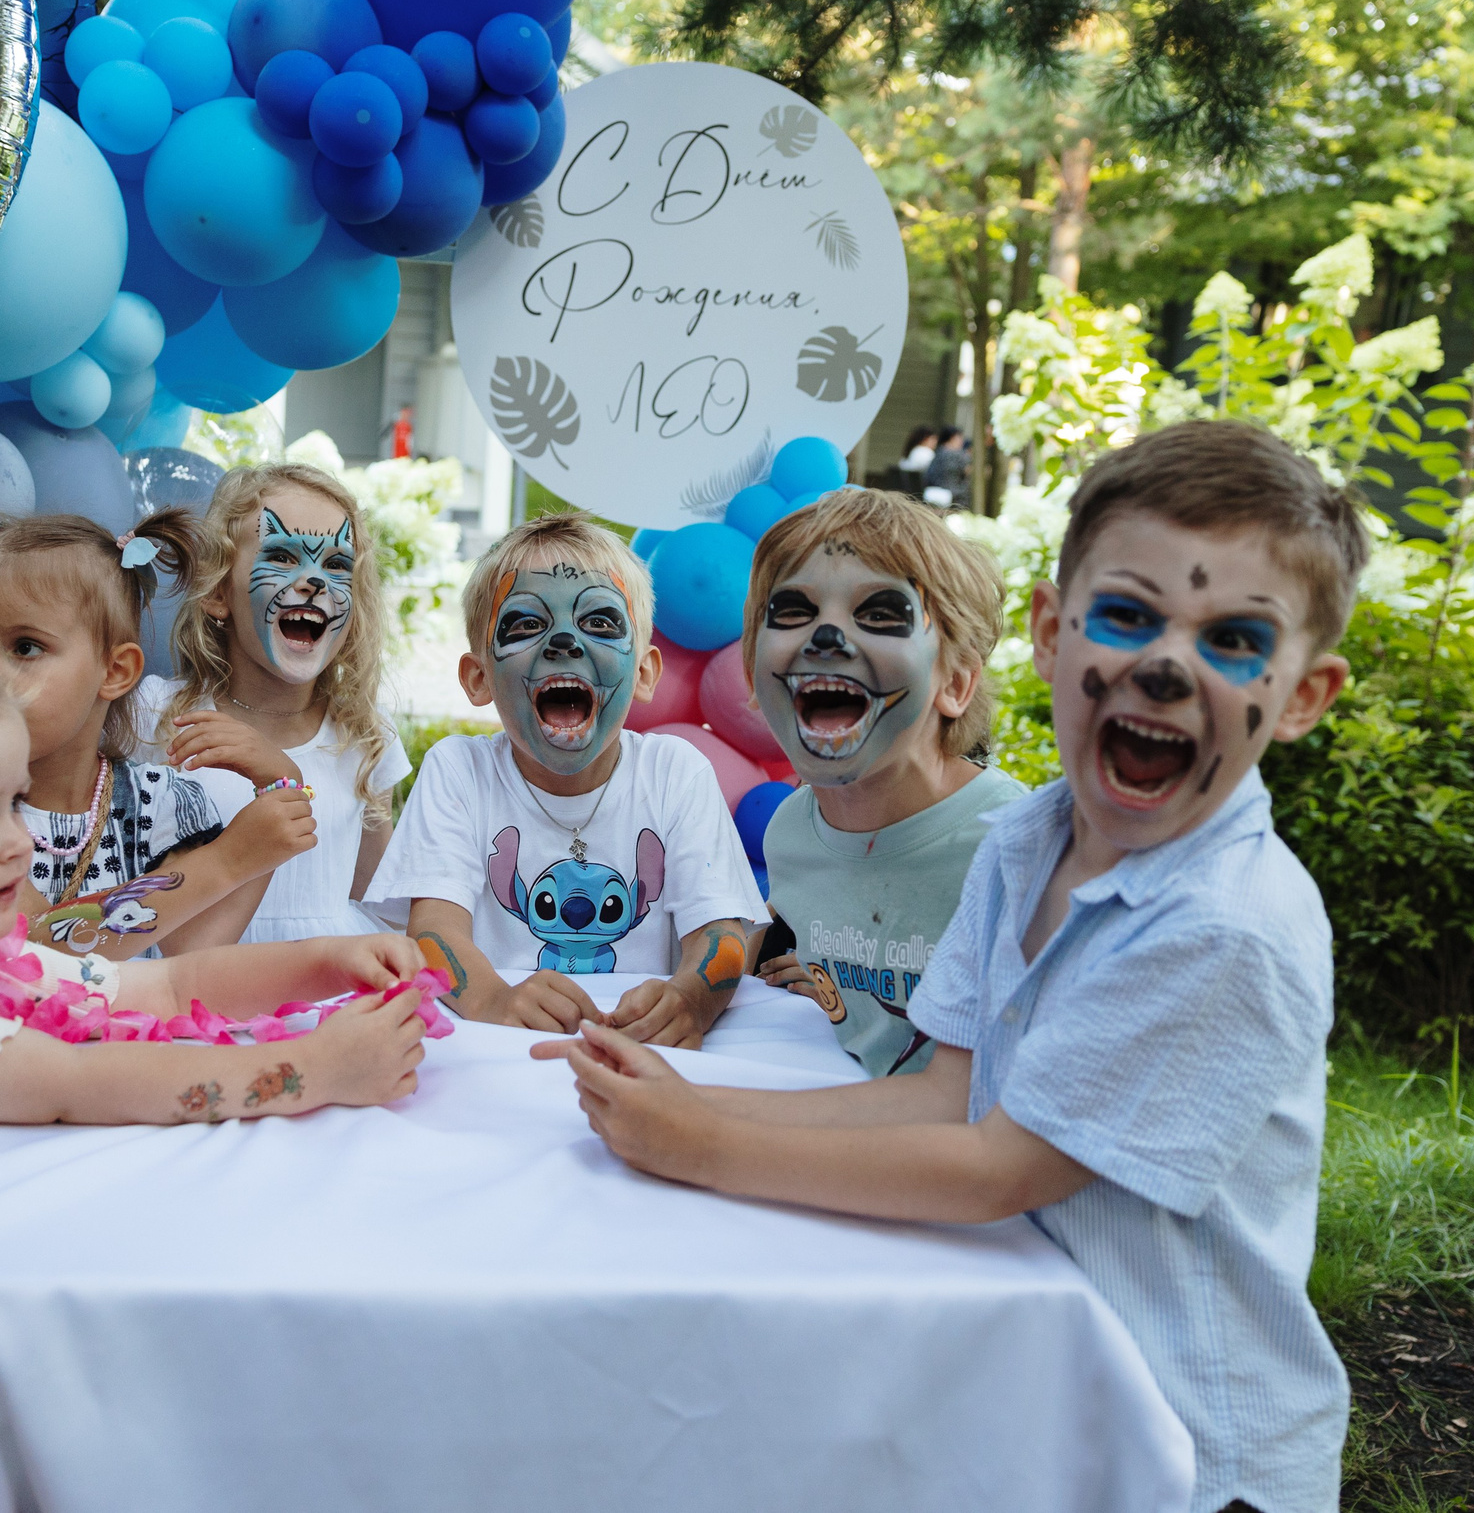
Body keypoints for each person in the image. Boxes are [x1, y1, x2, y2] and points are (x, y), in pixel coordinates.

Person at [535, 420, 1361, 1513]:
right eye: (1128, 616)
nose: (1164, 667)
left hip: (1190, 1447)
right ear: (1053, 635)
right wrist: (688, 1098)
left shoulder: (1222, 928)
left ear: (1301, 696)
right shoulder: (1033, 842)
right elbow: (942, 1086)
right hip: (1038, 1383)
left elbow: (995, 1169)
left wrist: (702, 1147)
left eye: (1233, 640)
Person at [0, 618, 431, 1214]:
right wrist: (317, 1068)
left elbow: (161, 988)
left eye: (13, 803)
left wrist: (324, 961)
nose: (19, 842)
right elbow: (74, 1083)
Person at [362, 513, 765, 1044]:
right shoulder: (459, 771)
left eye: (600, 623)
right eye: (526, 624)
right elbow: (434, 930)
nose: (565, 642)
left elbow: (719, 936)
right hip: (495, 1050)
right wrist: (493, 1000)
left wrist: (690, 1001)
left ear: (643, 673)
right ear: (478, 678)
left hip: (639, 1052)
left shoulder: (675, 771)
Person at [743, 488, 1028, 1077]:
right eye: (793, 610)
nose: (826, 637)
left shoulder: (1011, 851)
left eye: (879, 613)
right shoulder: (795, 827)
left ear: (956, 684)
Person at [0, 507, 310, 957]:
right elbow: (42, 950)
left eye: (25, 647)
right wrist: (227, 861)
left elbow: (192, 953)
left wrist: (276, 794)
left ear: (115, 671)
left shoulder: (161, 802)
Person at [142, 462, 413, 943]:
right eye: (283, 556)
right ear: (218, 591)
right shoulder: (161, 716)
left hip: (323, 986)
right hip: (198, 980)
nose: (313, 580)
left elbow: (379, 894)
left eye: (336, 564)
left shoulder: (364, 732)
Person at [923, 426, 970, 508]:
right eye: (960, 438)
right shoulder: (956, 455)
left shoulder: (938, 452)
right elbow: (968, 470)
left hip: (933, 491)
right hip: (954, 495)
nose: (962, 441)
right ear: (952, 438)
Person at [890, 424, 939, 494]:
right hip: (920, 492)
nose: (936, 442)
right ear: (925, 439)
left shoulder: (909, 452)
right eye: (934, 439)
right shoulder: (926, 453)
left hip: (906, 491)